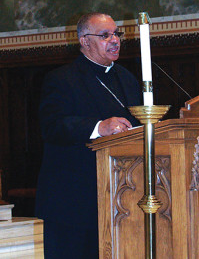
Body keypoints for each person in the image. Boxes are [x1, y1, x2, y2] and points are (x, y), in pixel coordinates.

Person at [35, 13, 142, 258]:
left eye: (117, 34)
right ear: (84, 41)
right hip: (72, 201)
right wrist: (98, 127)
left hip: (121, 197)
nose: (114, 40)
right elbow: (52, 127)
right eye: (105, 35)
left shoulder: (127, 78)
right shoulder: (61, 79)